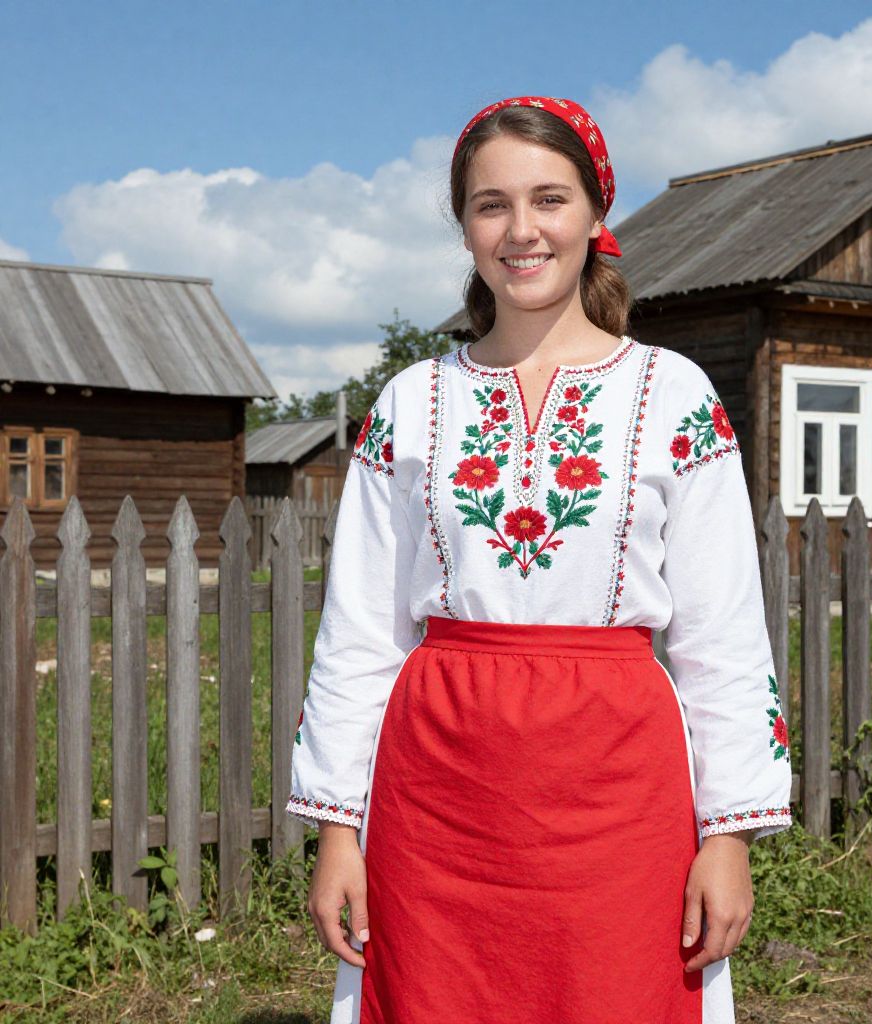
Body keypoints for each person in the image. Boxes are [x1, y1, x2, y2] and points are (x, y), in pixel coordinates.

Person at [287, 95, 794, 1024]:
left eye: (549, 199)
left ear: (597, 215)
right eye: (491, 205)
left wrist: (728, 837)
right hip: (436, 791)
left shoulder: (673, 394)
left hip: (619, 790)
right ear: (465, 227)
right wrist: (337, 829)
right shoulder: (411, 402)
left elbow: (722, 632)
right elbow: (358, 629)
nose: (522, 230)